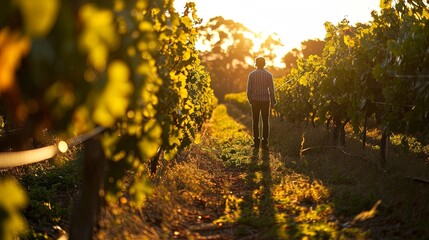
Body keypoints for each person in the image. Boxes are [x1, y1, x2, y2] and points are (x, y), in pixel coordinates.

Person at [246, 56, 277, 149]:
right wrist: (273, 102)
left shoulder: (251, 75)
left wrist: (250, 100)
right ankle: (265, 143)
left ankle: (256, 142)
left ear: (256, 64)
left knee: (255, 122)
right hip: (265, 101)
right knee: (265, 122)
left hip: (255, 101)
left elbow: (248, 90)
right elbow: (271, 90)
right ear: (264, 64)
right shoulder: (269, 75)